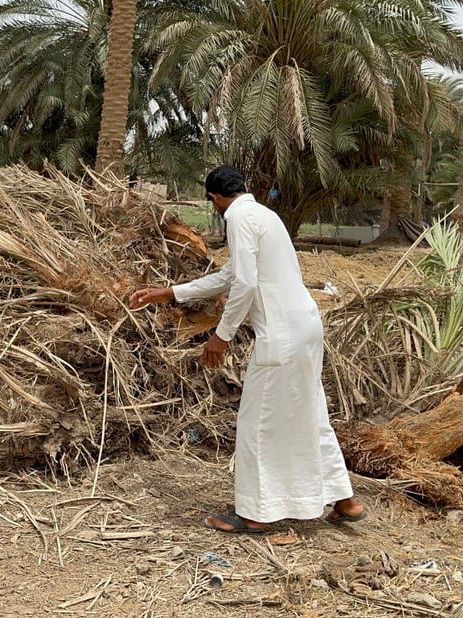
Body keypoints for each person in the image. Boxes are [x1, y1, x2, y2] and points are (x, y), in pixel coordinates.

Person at [129, 166, 365, 533]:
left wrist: (221, 335)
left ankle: (255, 514)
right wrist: (170, 293)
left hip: (281, 335)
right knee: (311, 413)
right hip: (306, 325)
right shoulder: (265, 215)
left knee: (256, 423)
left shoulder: (237, 218)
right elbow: (229, 276)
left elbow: (244, 284)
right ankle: (346, 501)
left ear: (215, 199)